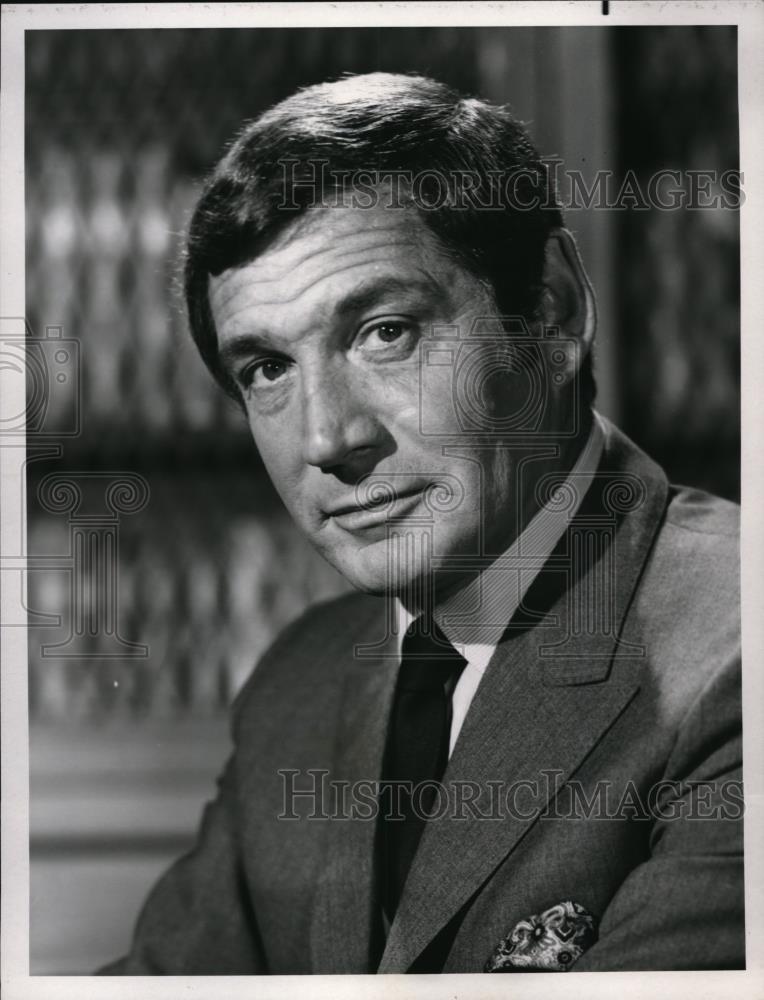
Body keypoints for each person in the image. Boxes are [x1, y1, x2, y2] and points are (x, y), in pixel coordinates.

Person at [101, 72, 743, 974]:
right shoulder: (301, 686)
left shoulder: (737, 651)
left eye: (385, 331)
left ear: (551, 308)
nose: (328, 439)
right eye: (268, 370)